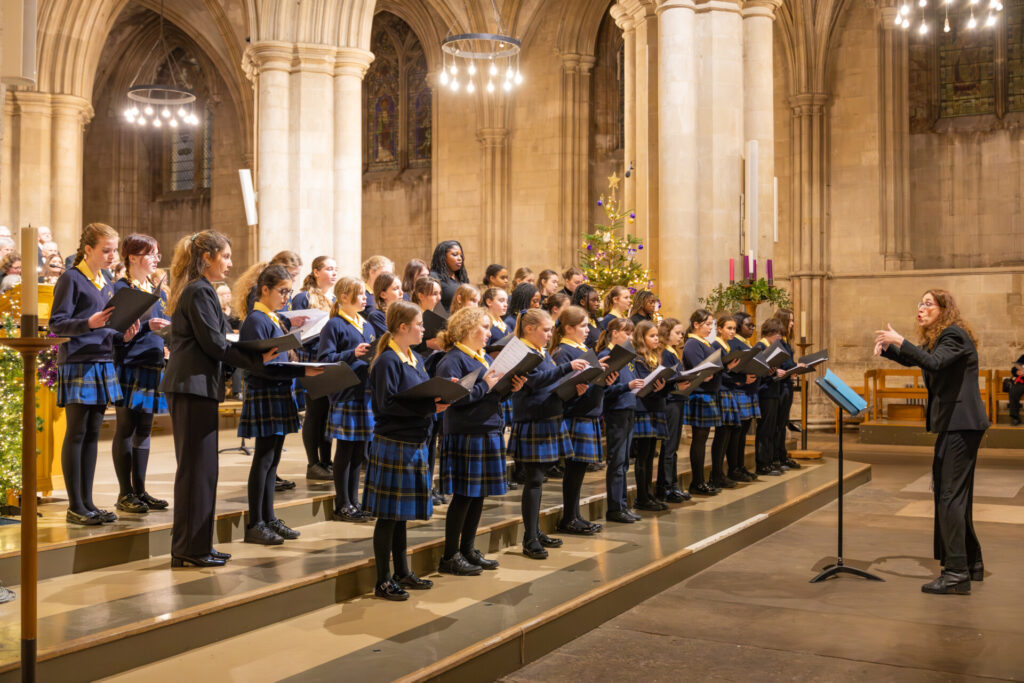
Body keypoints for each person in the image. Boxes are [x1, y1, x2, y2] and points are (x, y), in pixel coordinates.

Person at [160, 230, 270, 567]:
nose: (231, 263)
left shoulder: (200, 290)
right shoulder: (198, 291)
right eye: (225, 256)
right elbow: (213, 343)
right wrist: (256, 361)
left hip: (197, 386)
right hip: (190, 388)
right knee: (196, 471)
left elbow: (223, 335)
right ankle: (189, 549)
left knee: (204, 471)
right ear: (207, 257)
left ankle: (198, 544)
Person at [875, 289, 989, 594]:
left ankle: (956, 574)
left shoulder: (954, 335)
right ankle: (971, 562)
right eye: (920, 303)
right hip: (957, 425)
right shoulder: (942, 338)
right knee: (952, 494)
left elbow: (933, 363)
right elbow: (922, 359)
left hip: (960, 424)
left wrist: (899, 340)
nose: (921, 308)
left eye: (928, 304)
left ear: (944, 309)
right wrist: (890, 348)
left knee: (949, 495)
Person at [50, 223, 139, 526]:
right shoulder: (71, 278)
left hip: (102, 361)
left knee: (92, 435)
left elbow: (107, 328)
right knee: (76, 432)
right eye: (106, 250)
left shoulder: (107, 282)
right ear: (88, 249)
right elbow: (57, 324)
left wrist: (123, 335)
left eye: (114, 250)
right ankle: (75, 505)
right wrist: (88, 323)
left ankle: (87, 502)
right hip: (78, 362)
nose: (112, 256)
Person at [366, 301, 449, 600]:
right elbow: (385, 405)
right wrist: (430, 405)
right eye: (419, 324)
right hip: (394, 442)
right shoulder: (388, 360)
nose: (424, 329)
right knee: (388, 517)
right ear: (403, 327)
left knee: (400, 515)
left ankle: (402, 570)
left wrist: (441, 394)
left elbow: (418, 394)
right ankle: (382, 580)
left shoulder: (414, 358)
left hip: (414, 441)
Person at [435, 307, 523, 576]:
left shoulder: (482, 358)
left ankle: (468, 548)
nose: (489, 333)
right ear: (466, 329)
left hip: (487, 430)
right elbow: (455, 399)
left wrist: (509, 389)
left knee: (479, 495)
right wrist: (486, 385)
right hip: (466, 434)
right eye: (484, 328)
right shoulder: (452, 360)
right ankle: (450, 555)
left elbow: (488, 395)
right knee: (463, 496)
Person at [238, 266, 321, 545]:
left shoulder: (272, 318)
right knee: (262, 459)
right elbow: (260, 366)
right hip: (265, 392)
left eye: (289, 291)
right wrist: (301, 371)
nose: (286, 297)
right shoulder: (256, 320)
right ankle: (255, 523)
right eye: (282, 291)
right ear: (265, 290)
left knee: (273, 460)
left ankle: (269, 517)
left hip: (278, 392)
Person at [508, 308, 590, 559]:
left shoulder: (539, 350)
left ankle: (535, 530)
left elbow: (549, 383)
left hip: (549, 416)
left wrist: (571, 390)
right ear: (529, 328)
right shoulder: (520, 350)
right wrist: (567, 368)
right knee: (534, 481)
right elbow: (534, 382)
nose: (548, 334)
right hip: (534, 420)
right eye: (545, 330)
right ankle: (529, 537)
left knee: (539, 480)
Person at [111, 234, 171, 515]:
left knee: (145, 430)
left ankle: (141, 490)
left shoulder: (158, 289)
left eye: (158, 253)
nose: (156, 259)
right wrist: (148, 328)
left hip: (152, 362)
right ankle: (125, 493)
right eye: (150, 253)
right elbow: (116, 333)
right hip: (129, 364)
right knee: (126, 428)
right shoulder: (121, 288)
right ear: (132, 257)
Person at [318, 276, 377, 523]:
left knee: (359, 451)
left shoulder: (366, 325)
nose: (365, 298)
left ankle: (354, 501)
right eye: (360, 294)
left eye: (365, 294)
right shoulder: (335, 325)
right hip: (345, 394)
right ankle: (342, 503)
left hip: (365, 394)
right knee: (344, 450)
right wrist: (352, 353)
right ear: (344, 297)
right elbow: (325, 358)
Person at [550, 306, 612, 534]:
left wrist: (606, 377)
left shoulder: (584, 349)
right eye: (583, 326)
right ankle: (568, 517)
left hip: (588, 413)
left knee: (580, 471)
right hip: (575, 415)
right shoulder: (564, 352)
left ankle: (575, 515)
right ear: (568, 328)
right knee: (574, 471)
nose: (588, 330)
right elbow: (564, 387)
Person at [291, 256, 339, 482]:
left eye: (335, 269)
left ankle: (327, 462)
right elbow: (295, 331)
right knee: (315, 411)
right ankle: (313, 463)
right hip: (310, 358)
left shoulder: (336, 299)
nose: (333, 273)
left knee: (328, 413)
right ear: (316, 271)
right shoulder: (303, 297)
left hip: (330, 359)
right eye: (329, 269)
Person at [597, 318, 643, 523]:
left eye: (632, 333)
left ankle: (623, 505)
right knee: (616, 461)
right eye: (627, 333)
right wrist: (627, 387)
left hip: (628, 408)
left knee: (623, 462)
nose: (630, 337)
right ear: (614, 332)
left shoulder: (626, 356)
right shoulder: (606, 356)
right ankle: (614, 508)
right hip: (615, 411)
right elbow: (604, 391)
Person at [682, 309, 726, 496]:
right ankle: (697, 481)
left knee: (703, 438)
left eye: (712, 324)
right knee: (699, 440)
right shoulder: (692, 344)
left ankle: (700, 479)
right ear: (696, 324)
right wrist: (708, 372)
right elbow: (699, 369)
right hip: (700, 395)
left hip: (708, 393)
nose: (710, 328)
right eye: (707, 324)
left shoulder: (704, 342)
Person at [630, 320, 670, 510]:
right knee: (643, 456)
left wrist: (664, 386)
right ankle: (642, 497)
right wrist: (656, 386)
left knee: (650, 456)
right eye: (652, 336)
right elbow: (642, 385)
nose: (656, 339)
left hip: (656, 407)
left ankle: (649, 493)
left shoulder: (655, 358)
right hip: (643, 409)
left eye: (657, 336)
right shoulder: (638, 359)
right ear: (641, 338)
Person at [656, 318, 690, 503]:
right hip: (670, 402)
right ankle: (666, 487)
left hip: (677, 400)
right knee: (669, 447)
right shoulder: (665, 354)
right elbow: (665, 378)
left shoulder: (673, 352)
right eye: (677, 333)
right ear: (666, 333)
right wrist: (679, 381)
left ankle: (672, 485)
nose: (680, 336)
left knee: (673, 447)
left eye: (681, 333)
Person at [726, 312, 761, 482]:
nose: (753, 328)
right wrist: (741, 378)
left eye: (753, 325)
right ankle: (734, 467)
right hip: (739, 391)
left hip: (749, 390)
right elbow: (733, 367)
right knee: (737, 433)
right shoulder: (734, 343)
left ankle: (740, 466)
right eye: (749, 325)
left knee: (743, 433)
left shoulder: (746, 343)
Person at [753, 319, 785, 477]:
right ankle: (762, 463)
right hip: (764, 392)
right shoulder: (760, 347)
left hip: (772, 390)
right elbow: (758, 372)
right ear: (770, 333)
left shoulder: (769, 347)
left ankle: (770, 461)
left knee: (771, 429)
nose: (780, 337)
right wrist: (771, 373)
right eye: (778, 334)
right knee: (764, 429)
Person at [772, 309, 802, 471]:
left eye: (792, 320)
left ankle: (782, 456)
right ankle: (776, 457)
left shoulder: (785, 341)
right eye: (790, 320)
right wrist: (795, 367)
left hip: (786, 385)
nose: (792, 323)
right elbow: (781, 363)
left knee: (783, 423)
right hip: (780, 386)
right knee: (778, 424)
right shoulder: (778, 342)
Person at [428, 240, 469, 310]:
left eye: (461, 255)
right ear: (443, 257)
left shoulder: (461, 277)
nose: (459, 258)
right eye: (455, 255)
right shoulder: (434, 277)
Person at [368, 272, 403, 337]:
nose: (401, 293)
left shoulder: (403, 313)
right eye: (396, 289)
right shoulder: (376, 316)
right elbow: (392, 339)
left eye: (401, 288)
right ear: (383, 295)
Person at [571, 283, 602, 349]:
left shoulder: (594, 321)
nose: (597, 304)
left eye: (597, 300)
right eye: (593, 301)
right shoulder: (578, 323)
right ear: (582, 302)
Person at [1009, 353, 1024, 426]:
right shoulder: (1023, 357)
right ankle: (1015, 417)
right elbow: (1013, 370)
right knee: (1013, 391)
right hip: (1022, 382)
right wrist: (1018, 372)